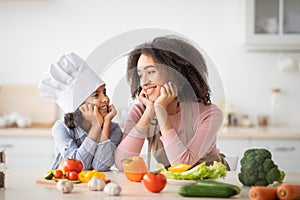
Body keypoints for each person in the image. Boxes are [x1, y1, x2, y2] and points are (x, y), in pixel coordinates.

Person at [114, 35, 230, 170]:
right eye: (140, 75)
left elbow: (182, 165)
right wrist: (150, 111)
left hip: (212, 182)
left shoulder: (209, 114)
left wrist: (161, 111)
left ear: (177, 75)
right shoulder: (140, 112)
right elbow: (122, 163)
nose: (144, 82)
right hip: (174, 183)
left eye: (151, 72)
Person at [38, 52, 123, 171]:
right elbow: (78, 166)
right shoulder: (61, 128)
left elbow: (101, 166)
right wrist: (95, 127)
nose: (106, 99)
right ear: (79, 105)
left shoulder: (114, 130)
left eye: (104, 92)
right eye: (96, 95)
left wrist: (105, 123)